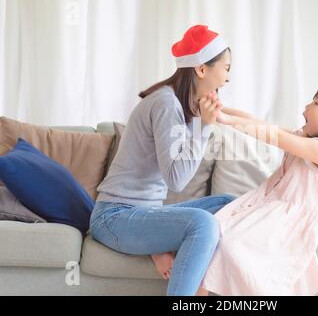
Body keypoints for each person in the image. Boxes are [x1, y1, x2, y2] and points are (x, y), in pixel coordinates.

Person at [89, 25, 235, 296]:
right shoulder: (167, 104)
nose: (228, 78)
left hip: (143, 214)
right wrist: (204, 127)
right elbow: (176, 180)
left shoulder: (184, 105)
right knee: (202, 223)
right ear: (202, 69)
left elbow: (230, 117)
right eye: (226, 68)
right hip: (114, 217)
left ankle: (186, 267)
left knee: (229, 205)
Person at [199, 82, 318, 295]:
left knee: (230, 246)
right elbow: (259, 123)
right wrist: (220, 109)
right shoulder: (305, 139)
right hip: (270, 207)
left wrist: (225, 120)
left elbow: (276, 137)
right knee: (211, 237)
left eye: (315, 103)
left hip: (290, 222)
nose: (306, 108)